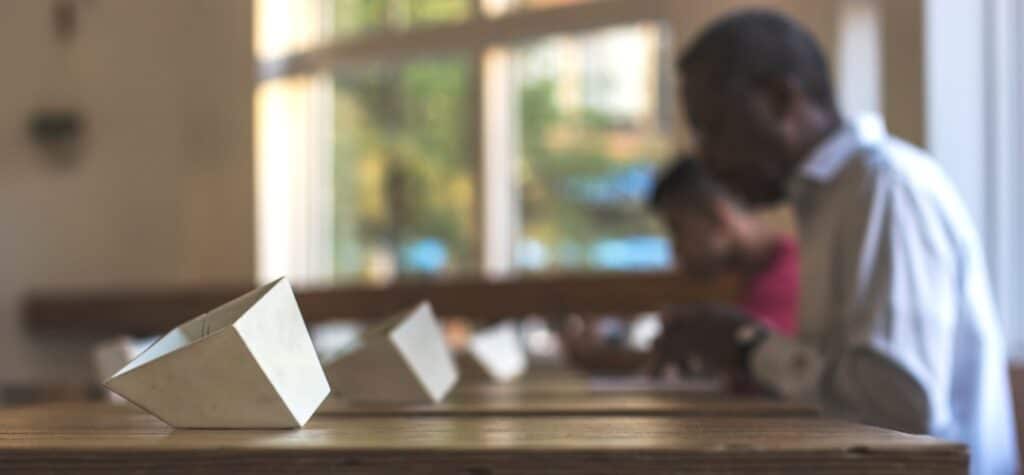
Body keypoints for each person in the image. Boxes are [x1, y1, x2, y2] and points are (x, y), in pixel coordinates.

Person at [651, 10, 1018, 475]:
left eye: (715, 127)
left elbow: (901, 410)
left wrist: (748, 347)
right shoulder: (832, 199)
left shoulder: (885, 188)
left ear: (783, 100)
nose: (707, 158)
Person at [650, 156, 798, 336]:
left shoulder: (788, 285)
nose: (676, 249)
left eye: (678, 229)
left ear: (717, 217)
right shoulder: (762, 277)